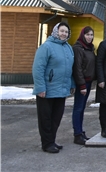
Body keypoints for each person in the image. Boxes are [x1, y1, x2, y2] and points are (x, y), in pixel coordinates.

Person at [32, 22, 75, 153]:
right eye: (62, 31)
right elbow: (38, 68)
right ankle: (47, 143)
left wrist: (72, 85)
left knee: (56, 117)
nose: (64, 34)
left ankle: (52, 140)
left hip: (61, 90)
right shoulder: (46, 47)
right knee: (45, 118)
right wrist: (40, 88)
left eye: (66, 32)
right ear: (56, 31)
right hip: (47, 90)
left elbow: (69, 69)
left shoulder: (68, 47)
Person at [71, 26, 96, 145]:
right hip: (82, 82)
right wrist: (81, 85)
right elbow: (78, 68)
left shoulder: (89, 48)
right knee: (78, 108)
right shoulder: (78, 48)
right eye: (87, 35)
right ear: (82, 35)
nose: (90, 37)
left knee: (82, 108)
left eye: (91, 35)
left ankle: (81, 131)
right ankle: (77, 134)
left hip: (88, 81)